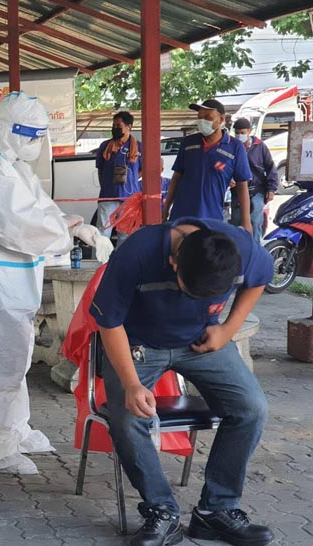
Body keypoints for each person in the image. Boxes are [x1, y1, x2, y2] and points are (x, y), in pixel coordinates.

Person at [0, 91, 114, 475]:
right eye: (31, 135)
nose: (37, 143)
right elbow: (25, 227)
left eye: (41, 135)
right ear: (8, 130)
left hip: (9, 283)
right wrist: (66, 232)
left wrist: (74, 224)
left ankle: (13, 430)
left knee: (12, 364)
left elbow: (38, 206)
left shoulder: (11, 164)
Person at [89, 217, 274, 546]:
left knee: (252, 408)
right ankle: (162, 512)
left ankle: (216, 511)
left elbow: (261, 276)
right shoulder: (137, 252)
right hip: (139, 346)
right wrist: (131, 384)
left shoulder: (240, 247)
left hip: (199, 344)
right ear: (173, 262)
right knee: (128, 417)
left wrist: (227, 330)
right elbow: (110, 323)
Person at [163, 99, 253, 234]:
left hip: (211, 219)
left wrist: (246, 222)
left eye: (208, 117)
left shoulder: (235, 147)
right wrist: (165, 210)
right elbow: (176, 178)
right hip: (181, 218)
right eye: (200, 117)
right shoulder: (188, 143)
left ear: (221, 119)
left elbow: (242, 185)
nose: (202, 121)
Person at [230, 117, 279, 243]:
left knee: (255, 222)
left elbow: (270, 167)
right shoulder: (232, 147)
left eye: (242, 133)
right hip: (238, 192)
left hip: (257, 191)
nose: (239, 136)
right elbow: (226, 167)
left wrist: (271, 189)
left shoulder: (260, 146)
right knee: (237, 222)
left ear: (249, 131)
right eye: (237, 133)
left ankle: (255, 250)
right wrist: (229, 179)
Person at [96, 111, 142, 242]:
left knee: (126, 235)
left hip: (130, 198)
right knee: (102, 233)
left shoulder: (139, 147)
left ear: (129, 127)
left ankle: (122, 256)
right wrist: (106, 185)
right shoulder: (105, 146)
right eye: (113, 125)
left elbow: (143, 170)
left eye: (118, 125)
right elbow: (100, 170)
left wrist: (130, 179)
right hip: (108, 196)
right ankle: (102, 256)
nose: (115, 128)